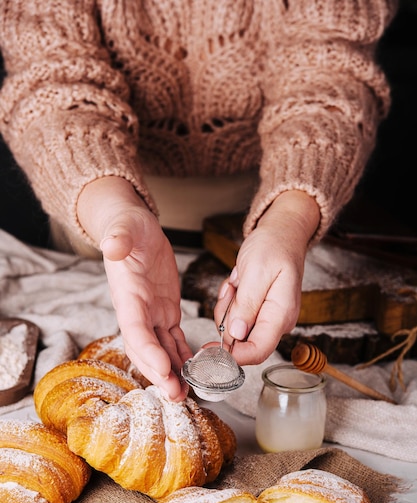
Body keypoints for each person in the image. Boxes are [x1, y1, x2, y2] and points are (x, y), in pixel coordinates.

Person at [0, 1, 398, 402]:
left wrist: (289, 220)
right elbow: (51, 84)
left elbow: (329, 76)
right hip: (99, 203)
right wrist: (114, 211)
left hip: (273, 197)